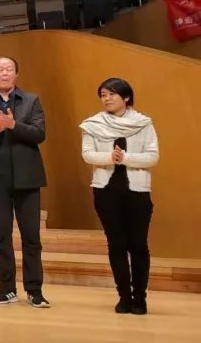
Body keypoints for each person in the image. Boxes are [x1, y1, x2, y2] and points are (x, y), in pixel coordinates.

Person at [0, 56, 50, 308]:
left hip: (27, 179)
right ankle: (7, 289)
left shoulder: (31, 100)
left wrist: (13, 125)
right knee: (2, 236)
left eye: (9, 69)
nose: (4, 73)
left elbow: (39, 133)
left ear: (16, 74)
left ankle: (34, 290)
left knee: (31, 237)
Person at [81, 78, 159, 315]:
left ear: (126, 97)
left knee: (138, 244)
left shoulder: (143, 123)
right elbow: (87, 154)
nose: (106, 99)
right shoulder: (93, 124)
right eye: (103, 95)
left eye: (111, 94)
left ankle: (140, 298)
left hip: (137, 192)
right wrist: (109, 157)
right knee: (116, 244)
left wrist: (125, 158)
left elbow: (153, 156)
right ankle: (124, 296)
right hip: (106, 192)